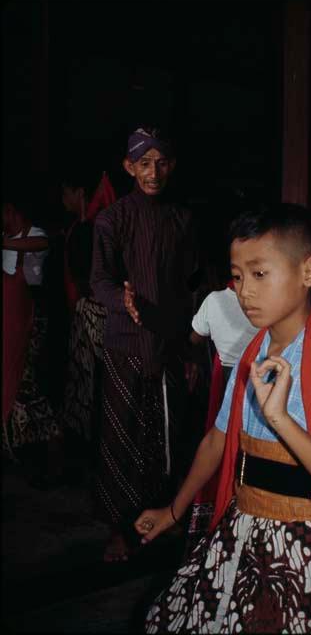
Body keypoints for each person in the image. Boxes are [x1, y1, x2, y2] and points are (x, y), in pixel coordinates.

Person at [135, 204, 311, 633]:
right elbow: (217, 440)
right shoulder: (255, 351)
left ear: (309, 272)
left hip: (296, 546)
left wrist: (281, 420)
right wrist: (173, 512)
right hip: (240, 528)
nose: (244, 291)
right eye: (237, 276)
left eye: (260, 274)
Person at [91, 126, 198, 563]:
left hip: (170, 343)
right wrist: (123, 299)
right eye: (144, 163)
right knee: (121, 436)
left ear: (170, 166)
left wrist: (192, 344)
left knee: (168, 435)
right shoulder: (111, 220)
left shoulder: (183, 219)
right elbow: (99, 280)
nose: (154, 172)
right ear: (129, 167)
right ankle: (118, 528)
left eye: (162, 162)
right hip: (125, 342)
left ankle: (162, 518)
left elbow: (192, 283)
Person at [187, 278, 260, 546]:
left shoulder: (215, 301)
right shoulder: (268, 305)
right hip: (248, 385)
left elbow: (194, 337)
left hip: (231, 382)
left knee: (221, 451)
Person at [2, 192, 62, 485]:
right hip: (8, 321)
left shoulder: (33, 234)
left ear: (10, 209)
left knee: (25, 383)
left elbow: (44, 242)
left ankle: (53, 445)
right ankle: (25, 451)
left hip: (32, 318)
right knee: (13, 384)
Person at [58, 170, 115, 453]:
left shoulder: (88, 229)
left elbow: (84, 276)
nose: (63, 199)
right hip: (100, 315)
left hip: (90, 314)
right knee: (93, 386)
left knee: (87, 386)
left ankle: (89, 452)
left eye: (66, 192)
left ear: (80, 193)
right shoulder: (98, 226)